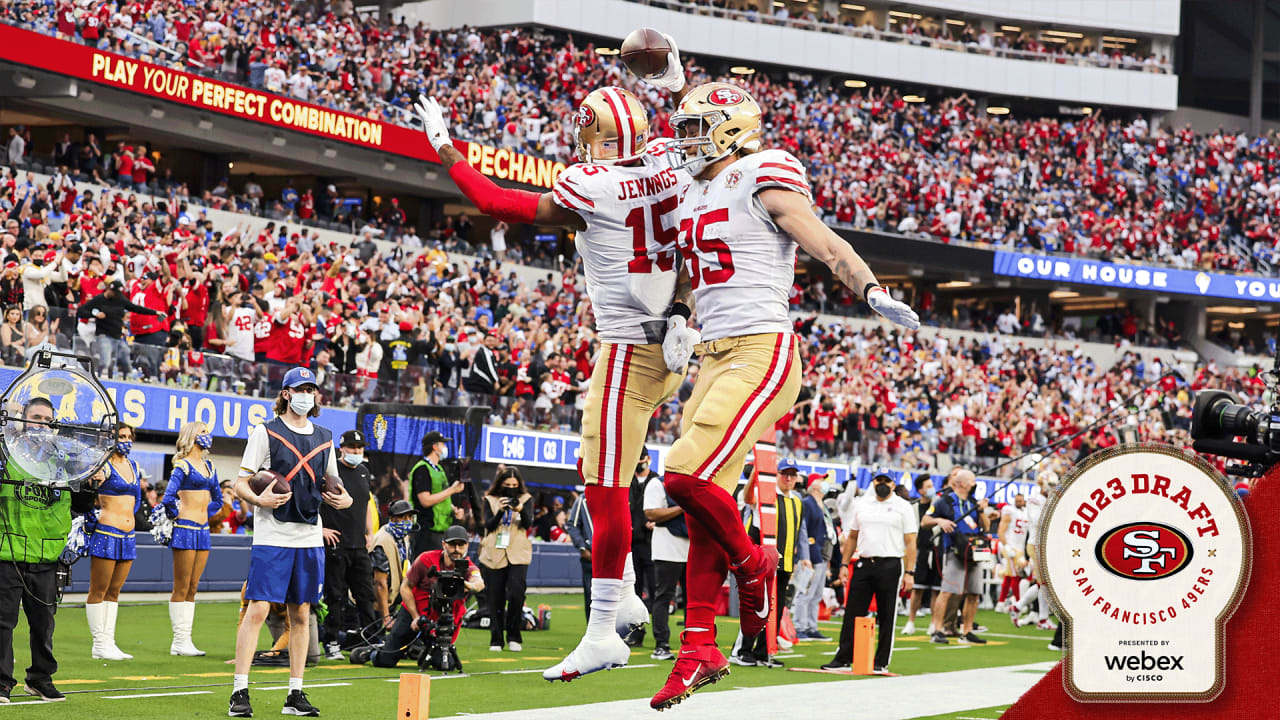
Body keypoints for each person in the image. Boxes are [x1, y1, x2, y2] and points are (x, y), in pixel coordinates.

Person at [651, 79, 918, 709]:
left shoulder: (762, 172)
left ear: (731, 129)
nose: (686, 140)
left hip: (761, 350)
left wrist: (869, 288)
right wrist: (681, 317)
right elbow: (696, 268)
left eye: (696, 128)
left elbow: (820, 240)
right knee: (699, 502)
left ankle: (754, 565)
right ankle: (699, 649)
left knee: (682, 476)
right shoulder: (695, 190)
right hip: (712, 355)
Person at [416, 76, 692, 683]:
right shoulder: (673, 163)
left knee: (603, 485)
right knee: (611, 480)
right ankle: (622, 595)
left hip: (628, 346)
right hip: (672, 342)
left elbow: (495, 204)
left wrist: (445, 147)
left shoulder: (591, 183)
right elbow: (684, 145)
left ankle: (605, 627)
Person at [230, 366, 352, 718]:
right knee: (257, 610)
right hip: (272, 536)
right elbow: (241, 482)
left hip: (309, 535)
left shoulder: (327, 437)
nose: (306, 394)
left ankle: (295, 693)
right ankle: (239, 691)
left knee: (301, 614)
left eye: (311, 388)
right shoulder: (264, 432)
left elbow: (335, 486)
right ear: (285, 393)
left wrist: (346, 501)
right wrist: (259, 500)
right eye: (300, 388)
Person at [0, 398, 96, 702]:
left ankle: (40, 678)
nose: (41, 423)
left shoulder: (63, 464)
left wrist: (91, 484)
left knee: (44, 625)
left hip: (47, 556)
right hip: (8, 553)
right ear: (23, 420)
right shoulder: (5, 456)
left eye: (47, 419)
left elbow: (80, 507)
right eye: (35, 417)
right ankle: (2, 682)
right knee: (3, 623)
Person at [822, 473, 918, 674]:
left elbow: (910, 541)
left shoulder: (903, 506)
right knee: (852, 613)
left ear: (893, 484)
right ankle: (843, 657)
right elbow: (852, 537)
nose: (882, 485)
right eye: (878, 481)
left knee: (886, 613)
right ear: (873, 483)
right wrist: (843, 564)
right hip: (863, 562)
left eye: (886, 481)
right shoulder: (862, 504)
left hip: (890, 562)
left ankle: (881, 660)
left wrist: (910, 571)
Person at [351, 525, 483, 667]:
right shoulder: (426, 560)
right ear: (443, 544)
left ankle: (417, 650)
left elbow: (479, 583)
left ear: (467, 546)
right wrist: (415, 617)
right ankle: (376, 649)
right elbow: (405, 587)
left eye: (461, 545)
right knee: (385, 661)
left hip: (442, 618)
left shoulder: (468, 567)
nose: (457, 549)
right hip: (414, 612)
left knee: (445, 664)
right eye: (452, 544)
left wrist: (466, 584)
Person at [161, 421, 222, 657]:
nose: (207, 436)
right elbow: (167, 498)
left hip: (203, 530)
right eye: (203, 432)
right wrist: (179, 515)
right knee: (182, 585)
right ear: (192, 436)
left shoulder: (210, 465)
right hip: (185, 529)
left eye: (208, 431)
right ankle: (179, 640)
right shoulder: (182, 466)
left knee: (193, 587)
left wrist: (206, 512)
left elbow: (217, 498)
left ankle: (186, 639)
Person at [735, 459, 804, 667]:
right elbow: (748, 499)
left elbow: (796, 532)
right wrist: (755, 475)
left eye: (792, 475)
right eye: (785, 474)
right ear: (777, 475)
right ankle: (742, 650)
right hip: (763, 561)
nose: (789, 479)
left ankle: (763, 651)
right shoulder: (766, 494)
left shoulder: (797, 501)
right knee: (756, 606)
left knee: (775, 607)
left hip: (785, 564)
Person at [84, 423, 141, 661]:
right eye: (121, 436)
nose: (125, 440)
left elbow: (136, 499)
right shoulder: (102, 464)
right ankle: (99, 643)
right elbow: (90, 485)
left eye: (129, 436)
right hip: (107, 532)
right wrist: (93, 480)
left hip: (128, 535)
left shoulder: (133, 465)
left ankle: (109, 641)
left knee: (115, 591)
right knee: (99, 589)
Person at [321, 430, 377, 657]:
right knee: (335, 595)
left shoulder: (364, 471)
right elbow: (315, 502)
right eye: (352, 447)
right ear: (342, 448)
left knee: (366, 594)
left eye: (359, 448)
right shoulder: (330, 472)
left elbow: (366, 502)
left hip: (359, 545)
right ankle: (332, 641)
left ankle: (372, 638)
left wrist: (370, 532)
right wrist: (320, 529)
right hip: (336, 543)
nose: (356, 452)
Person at [922, 469, 989, 645]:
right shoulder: (945, 501)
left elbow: (986, 527)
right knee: (947, 592)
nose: (974, 485)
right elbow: (925, 520)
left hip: (976, 548)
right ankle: (937, 629)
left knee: (974, 592)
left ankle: (967, 631)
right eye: (972, 481)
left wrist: (982, 511)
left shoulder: (974, 502)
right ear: (962, 484)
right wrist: (939, 521)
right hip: (954, 548)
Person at [477, 467, 533, 652]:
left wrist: (520, 508)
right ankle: (496, 638)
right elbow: (488, 525)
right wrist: (500, 511)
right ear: (500, 484)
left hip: (518, 552)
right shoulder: (490, 500)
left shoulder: (526, 499)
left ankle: (514, 635)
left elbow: (528, 524)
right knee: (495, 597)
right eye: (507, 485)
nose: (510, 488)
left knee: (517, 593)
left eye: (514, 486)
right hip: (494, 553)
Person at [643, 464, 689, 661]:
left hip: (691, 547)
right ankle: (661, 644)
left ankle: (692, 643)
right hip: (667, 549)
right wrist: (680, 508)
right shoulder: (657, 483)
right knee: (663, 597)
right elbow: (651, 513)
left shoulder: (692, 484)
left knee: (693, 600)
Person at [76, 280, 164, 378]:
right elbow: (81, 311)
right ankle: (99, 378)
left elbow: (135, 308)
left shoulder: (120, 299)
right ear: (109, 290)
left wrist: (155, 312)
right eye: (114, 292)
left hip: (117, 336)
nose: (116, 295)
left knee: (126, 357)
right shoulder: (99, 299)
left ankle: (126, 379)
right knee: (105, 362)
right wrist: (94, 314)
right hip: (104, 335)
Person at [409, 431, 463, 559]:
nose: (445, 447)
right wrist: (452, 490)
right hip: (427, 530)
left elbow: (441, 497)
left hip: (441, 528)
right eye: (443, 444)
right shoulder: (422, 469)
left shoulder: (439, 469)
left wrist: (452, 509)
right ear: (435, 447)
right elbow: (425, 500)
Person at [794, 474, 835, 642]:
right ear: (814, 485)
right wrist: (806, 554)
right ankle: (800, 626)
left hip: (822, 553)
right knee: (805, 592)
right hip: (811, 553)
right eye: (822, 480)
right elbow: (804, 531)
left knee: (816, 594)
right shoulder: (807, 504)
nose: (825, 484)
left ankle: (812, 626)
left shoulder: (822, 505)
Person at [369, 500, 417, 632]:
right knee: (372, 641)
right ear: (392, 518)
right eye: (403, 517)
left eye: (409, 517)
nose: (407, 521)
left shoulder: (403, 538)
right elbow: (379, 583)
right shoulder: (383, 541)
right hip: (375, 604)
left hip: (391, 599)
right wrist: (385, 617)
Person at [902, 473, 940, 636]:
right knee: (917, 588)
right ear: (920, 490)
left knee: (935, 589)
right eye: (928, 486)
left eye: (932, 485)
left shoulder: (938, 505)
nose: (932, 489)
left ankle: (933, 622)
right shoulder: (914, 508)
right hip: (921, 551)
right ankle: (911, 621)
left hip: (936, 550)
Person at [996, 493, 1030, 614]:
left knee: (1010, 576)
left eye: (1021, 501)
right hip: (1010, 546)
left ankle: (1000, 603)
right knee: (1015, 575)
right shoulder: (1009, 510)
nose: (1020, 503)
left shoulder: (1026, 511)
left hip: (1020, 548)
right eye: (1018, 501)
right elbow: (1001, 531)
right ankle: (1018, 602)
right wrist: (1006, 546)